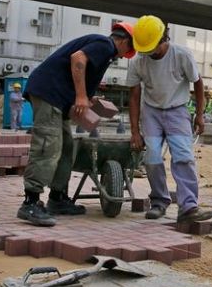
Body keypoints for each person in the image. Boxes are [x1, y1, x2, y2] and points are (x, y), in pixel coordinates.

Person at [17, 21, 136, 227]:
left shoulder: (104, 52)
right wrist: (81, 96)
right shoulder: (105, 44)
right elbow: (78, 58)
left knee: (66, 147)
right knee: (48, 145)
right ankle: (30, 202)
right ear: (124, 41)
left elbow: (82, 71)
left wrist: (88, 98)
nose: (122, 56)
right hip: (49, 94)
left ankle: (57, 197)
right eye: (128, 50)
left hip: (57, 98)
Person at [127, 16, 212, 224]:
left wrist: (200, 115)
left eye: (151, 48)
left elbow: (198, 83)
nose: (148, 53)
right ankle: (159, 202)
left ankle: (189, 207)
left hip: (177, 110)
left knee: (183, 156)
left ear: (163, 39)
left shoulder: (181, 55)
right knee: (152, 157)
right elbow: (134, 96)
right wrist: (134, 131)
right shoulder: (138, 61)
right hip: (151, 112)